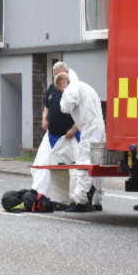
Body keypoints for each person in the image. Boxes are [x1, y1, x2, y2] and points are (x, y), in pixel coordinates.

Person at [56, 72, 104, 212]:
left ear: (62, 83)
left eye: (60, 89)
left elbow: (65, 107)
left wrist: (64, 94)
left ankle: (81, 201)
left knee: (84, 161)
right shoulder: (87, 86)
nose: (62, 91)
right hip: (99, 127)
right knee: (98, 163)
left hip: (89, 128)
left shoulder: (72, 88)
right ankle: (97, 201)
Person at [30, 62, 80, 195]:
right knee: (43, 164)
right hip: (52, 135)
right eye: (56, 75)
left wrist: (74, 129)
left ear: (67, 74)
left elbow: (82, 114)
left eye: (61, 75)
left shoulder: (74, 89)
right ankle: (41, 193)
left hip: (70, 136)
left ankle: (78, 198)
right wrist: (44, 118)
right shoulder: (52, 87)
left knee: (76, 168)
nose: (58, 78)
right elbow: (47, 105)